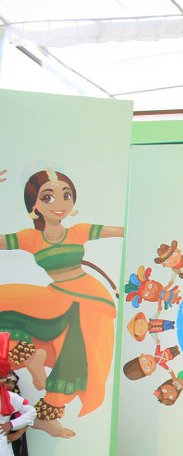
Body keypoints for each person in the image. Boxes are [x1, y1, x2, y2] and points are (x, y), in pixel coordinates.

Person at [0, 168, 124, 438]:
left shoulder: (79, 231)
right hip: (57, 297)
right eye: (48, 197)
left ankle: (48, 415)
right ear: (34, 204)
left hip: (88, 298)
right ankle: (30, 355)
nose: (59, 204)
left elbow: (124, 231)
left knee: (77, 354)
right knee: (6, 308)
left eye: (65, 195)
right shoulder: (31, 238)